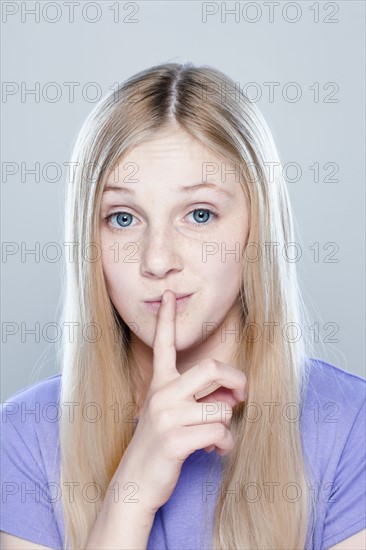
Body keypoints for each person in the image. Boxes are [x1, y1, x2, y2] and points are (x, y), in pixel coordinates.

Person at [1, 62, 365, 550]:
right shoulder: (25, 435)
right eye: (123, 218)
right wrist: (131, 494)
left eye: (199, 214)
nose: (157, 260)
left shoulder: (348, 424)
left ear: (256, 229)